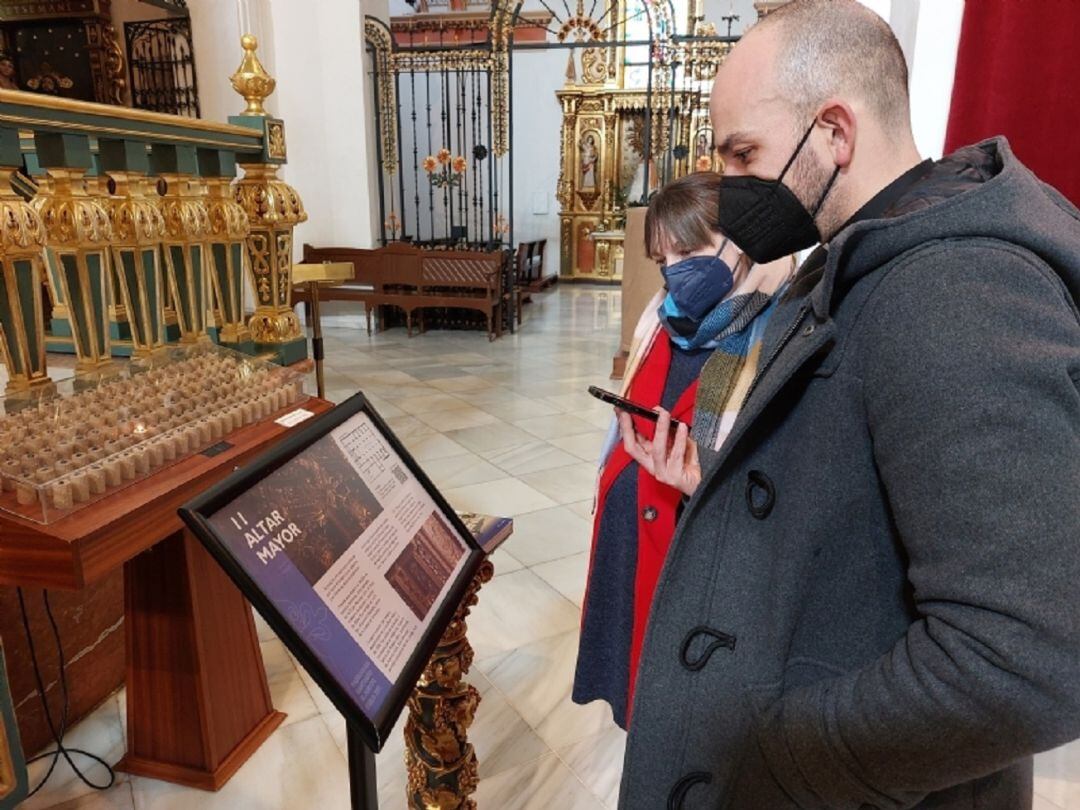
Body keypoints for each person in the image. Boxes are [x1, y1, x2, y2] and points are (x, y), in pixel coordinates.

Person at [617, 2, 1080, 808]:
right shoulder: (868, 253)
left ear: (834, 132)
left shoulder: (955, 288)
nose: (730, 187)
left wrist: (784, 753)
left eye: (745, 153)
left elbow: (1025, 655)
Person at [573, 170, 793, 729]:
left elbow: (783, 484)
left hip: (695, 565)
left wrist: (703, 483)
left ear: (738, 241)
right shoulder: (660, 316)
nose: (675, 272)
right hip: (632, 541)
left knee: (677, 712)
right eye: (663, 258)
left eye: (690, 249)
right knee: (633, 688)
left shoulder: (780, 333)